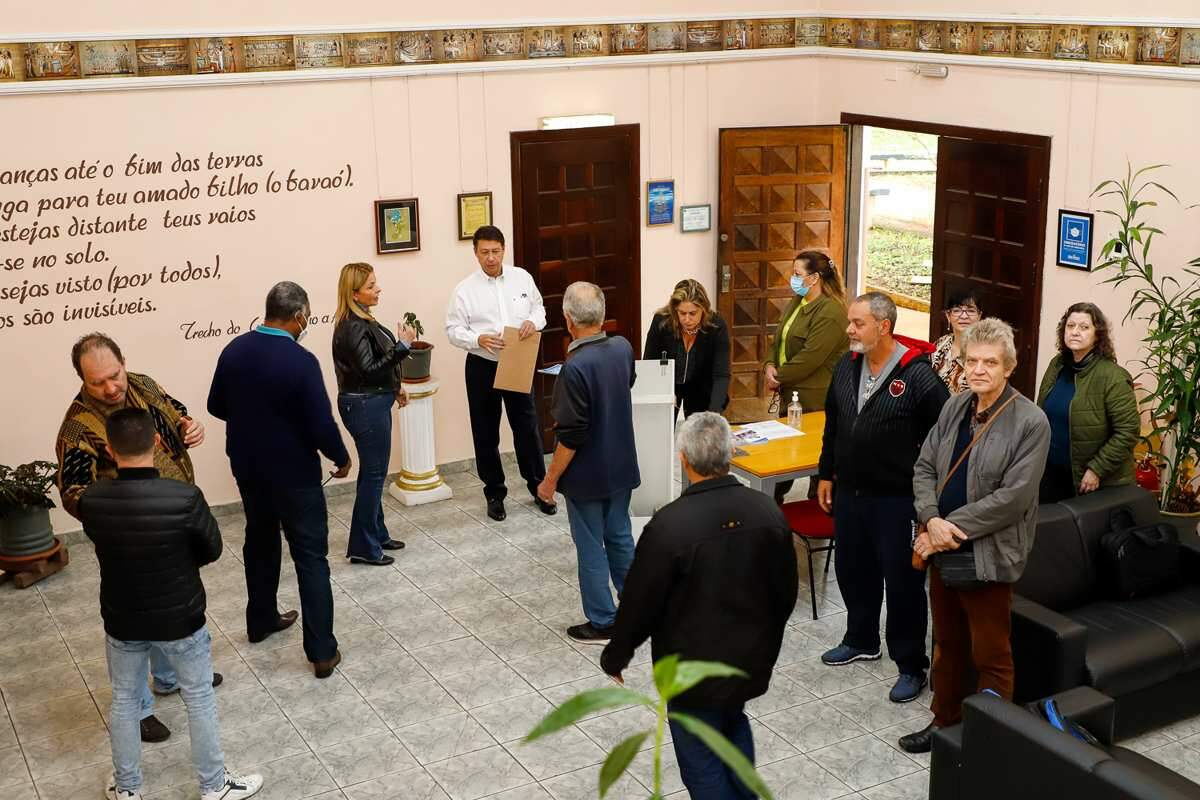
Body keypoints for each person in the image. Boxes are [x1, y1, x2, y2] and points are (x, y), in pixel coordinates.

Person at [601, 412, 798, 798]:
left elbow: (640, 602)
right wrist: (765, 639)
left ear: (684, 459)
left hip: (690, 674)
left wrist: (616, 655)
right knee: (731, 724)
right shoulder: (768, 512)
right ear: (730, 455)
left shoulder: (669, 526)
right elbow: (785, 591)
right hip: (748, 660)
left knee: (701, 761)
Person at [80, 408, 262, 800]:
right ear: (158, 442)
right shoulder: (184, 497)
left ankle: (127, 789)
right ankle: (214, 785)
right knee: (199, 698)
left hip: (122, 618)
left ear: (109, 449)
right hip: (181, 616)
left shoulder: (92, 500)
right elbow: (212, 549)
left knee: (125, 701)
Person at [55, 332, 219, 744]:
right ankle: (140, 710)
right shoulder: (77, 429)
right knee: (133, 619)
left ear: (124, 363)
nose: (111, 388)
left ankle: (169, 677)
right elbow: (72, 494)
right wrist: (117, 513)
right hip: (126, 540)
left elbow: (176, 414)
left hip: (172, 525)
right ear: (82, 380)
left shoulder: (144, 384)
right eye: (98, 383)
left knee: (166, 603)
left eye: (115, 375)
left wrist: (189, 426)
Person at [900, 319, 1050, 753]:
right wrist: (931, 519)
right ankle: (944, 723)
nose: (979, 370)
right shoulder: (954, 406)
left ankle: (988, 743)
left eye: (990, 363)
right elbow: (924, 467)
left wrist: (949, 528)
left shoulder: (1031, 422)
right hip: (942, 549)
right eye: (972, 362)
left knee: (991, 655)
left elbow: (1014, 498)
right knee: (947, 645)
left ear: (1009, 367)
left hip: (988, 555)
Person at [207, 281, 348, 679]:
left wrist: (251, 419)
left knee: (260, 540)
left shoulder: (234, 350)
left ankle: (261, 620)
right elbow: (320, 423)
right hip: (295, 473)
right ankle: (322, 652)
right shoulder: (301, 362)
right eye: (307, 317)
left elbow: (215, 405)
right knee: (310, 556)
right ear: (299, 316)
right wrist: (340, 457)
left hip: (248, 467)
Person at [815, 292, 949, 703]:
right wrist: (825, 474)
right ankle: (861, 639)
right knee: (853, 570)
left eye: (858, 323)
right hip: (850, 493)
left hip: (898, 500)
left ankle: (910, 665)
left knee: (903, 582)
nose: (849, 330)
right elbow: (833, 424)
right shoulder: (846, 366)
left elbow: (944, 438)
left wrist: (931, 500)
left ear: (883, 326)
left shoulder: (919, 377)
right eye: (850, 322)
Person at [537, 282, 640, 644]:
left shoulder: (575, 367)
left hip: (588, 476)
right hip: (621, 464)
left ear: (568, 319)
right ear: (601, 314)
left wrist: (549, 480)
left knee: (591, 546)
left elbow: (571, 436)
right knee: (620, 536)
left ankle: (603, 620)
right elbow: (626, 383)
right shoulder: (623, 348)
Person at [445, 225, 556, 522]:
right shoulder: (464, 290)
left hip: (517, 359)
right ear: (475, 253)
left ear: (504, 250)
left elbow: (540, 309)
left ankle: (539, 487)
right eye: (485, 252)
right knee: (485, 432)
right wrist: (477, 339)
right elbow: (453, 330)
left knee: (527, 426)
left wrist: (533, 322)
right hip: (482, 364)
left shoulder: (522, 278)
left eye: (495, 251)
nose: (491, 258)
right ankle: (494, 493)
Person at [331, 262, 416, 566]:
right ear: (354, 293)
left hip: (371, 401)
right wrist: (403, 346)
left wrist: (395, 387)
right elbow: (368, 370)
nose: (378, 289)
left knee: (372, 472)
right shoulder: (354, 325)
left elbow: (373, 368)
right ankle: (364, 547)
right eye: (370, 286)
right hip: (365, 406)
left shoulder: (362, 319)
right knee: (374, 474)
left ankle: (376, 534)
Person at [762, 250, 849, 502]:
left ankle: (818, 510)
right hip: (790, 394)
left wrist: (778, 376)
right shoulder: (798, 301)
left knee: (816, 463)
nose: (793, 278)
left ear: (814, 278)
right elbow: (779, 337)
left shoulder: (831, 312)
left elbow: (811, 357)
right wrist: (769, 364)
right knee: (781, 458)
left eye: (797, 274)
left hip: (816, 399)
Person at [1036, 302, 1140, 503]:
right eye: (1070, 326)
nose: (1075, 332)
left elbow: (1128, 432)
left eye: (1084, 327)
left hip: (1093, 481)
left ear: (1097, 335)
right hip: (1052, 472)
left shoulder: (1113, 377)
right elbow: (1041, 413)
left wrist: (1097, 469)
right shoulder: (1057, 364)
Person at [642, 279, 731, 418]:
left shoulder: (716, 327)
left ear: (703, 309)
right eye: (682, 313)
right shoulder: (662, 322)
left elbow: (721, 374)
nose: (687, 319)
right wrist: (659, 396)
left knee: (702, 430)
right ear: (674, 309)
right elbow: (650, 364)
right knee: (660, 430)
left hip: (702, 390)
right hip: (668, 387)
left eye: (693, 313)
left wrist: (714, 413)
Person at [930, 288, 983, 394]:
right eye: (957, 310)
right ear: (948, 316)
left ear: (979, 316)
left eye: (971, 311)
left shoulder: (984, 352)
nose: (964, 316)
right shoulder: (941, 343)